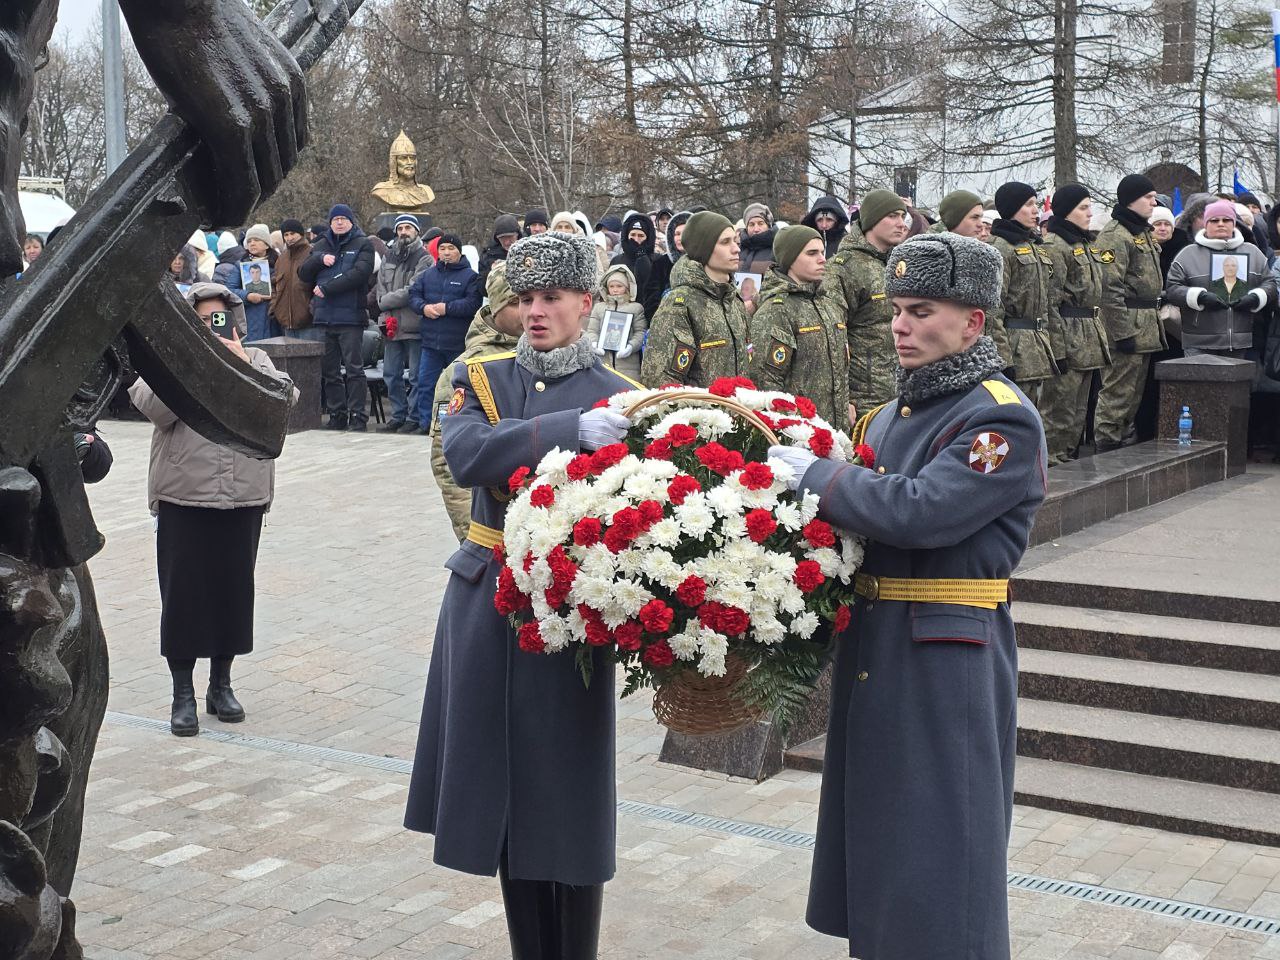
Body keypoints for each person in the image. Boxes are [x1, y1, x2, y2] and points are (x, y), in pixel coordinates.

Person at [767, 231, 1046, 960]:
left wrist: (820, 478)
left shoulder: (999, 415)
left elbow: (921, 511)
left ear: (973, 322)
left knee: (940, 851)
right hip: (881, 640)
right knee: (885, 842)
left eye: (922, 310)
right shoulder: (891, 416)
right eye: (897, 310)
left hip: (944, 652)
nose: (900, 325)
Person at [405, 231, 639, 960]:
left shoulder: (624, 399)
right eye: (524, 299)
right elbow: (468, 454)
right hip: (487, 599)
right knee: (499, 796)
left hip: (569, 609)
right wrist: (570, 429)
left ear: (586, 304)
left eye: (551, 298)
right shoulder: (481, 376)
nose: (535, 312)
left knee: (564, 793)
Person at [127, 282, 297, 737]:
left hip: (243, 497)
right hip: (185, 495)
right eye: (200, 321)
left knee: (231, 595)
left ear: (234, 320)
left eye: (217, 319)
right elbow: (148, 406)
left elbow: (285, 405)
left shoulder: (255, 359)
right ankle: (182, 692)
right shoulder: (169, 359)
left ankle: (221, 685)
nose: (210, 327)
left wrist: (239, 365)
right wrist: (188, 365)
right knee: (182, 597)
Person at [430, 261, 523, 540]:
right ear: (495, 307)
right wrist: (473, 536)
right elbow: (447, 459)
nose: (528, 311)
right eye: (517, 301)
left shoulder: (550, 353)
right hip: (492, 527)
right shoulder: (465, 370)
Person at [821, 189, 909, 419]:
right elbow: (833, 335)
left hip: (902, 389)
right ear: (872, 220)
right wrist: (844, 398)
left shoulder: (898, 263)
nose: (901, 223)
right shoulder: (844, 267)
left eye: (903, 216)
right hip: (865, 397)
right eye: (893, 216)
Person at [1041, 183, 1112, 464]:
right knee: (1059, 406)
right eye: (1083, 208)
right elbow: (1051, 302)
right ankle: (1052, 459)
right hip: (1067, 334)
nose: (1089, 213)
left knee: (1078, 407)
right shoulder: (1056, 246)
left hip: (1087, 334)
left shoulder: (1082, 243)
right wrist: (1057, 349)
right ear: (1067, 211)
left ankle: (1067, 454)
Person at [752, 223, 850, 427]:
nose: (823, 259)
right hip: (799, 435)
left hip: (837, 431)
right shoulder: (777, 309)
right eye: (812, 253)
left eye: (822, 252)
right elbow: (768, 384)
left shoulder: (828, 303)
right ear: (790, 258)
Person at [1094, 174, 1165, 451]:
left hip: (1144, 325)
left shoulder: (1140, 232)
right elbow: (1109, 289)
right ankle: (1106, 445)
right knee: (1117, 392)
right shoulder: (1115, 235)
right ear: (1131, 200)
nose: (1154, 202)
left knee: (1132, 395)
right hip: (1127, 325)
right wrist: (1120, 332)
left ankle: (1120, 439)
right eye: (1148, 197)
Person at [641, 211, 751, 386]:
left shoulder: (734, 301)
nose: (736, 248)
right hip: (699, 412)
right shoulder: (680, 304)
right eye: (725, 242)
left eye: (735, 241)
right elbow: (662, 383)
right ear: (704, 249)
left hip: (738, 410)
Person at [298, 203, 376, 431]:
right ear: (330, 223)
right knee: (329, 371)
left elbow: (360, 274)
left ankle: (358, 417)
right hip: (324, 316)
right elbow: (303, 274)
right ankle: (337, 414)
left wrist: (329, 287)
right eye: (335, 219)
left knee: (354, 369)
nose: (339, 222)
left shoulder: (363, 244)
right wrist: (318, 259)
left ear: (351, 222)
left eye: (343, 218)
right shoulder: (321, 244)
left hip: (351, 317)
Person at [1165, 199, 1275, 358]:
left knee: (1234, 383)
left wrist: (1257, 297)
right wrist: (1199, 297)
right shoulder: (1187, 254)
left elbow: (1270, 284)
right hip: (1199, 341)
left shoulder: (1253, 252)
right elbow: (1173, 289)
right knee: (1199, 383)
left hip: (1238, 340)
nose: (1221, 224)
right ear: (1206, 224)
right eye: (1214, 220)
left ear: (1234, 223)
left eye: (1226, 220)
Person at [987, 181, 1058, 403]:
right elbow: (993, 309)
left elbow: (1045, 303)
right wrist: (1003, 360)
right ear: (1011, 208)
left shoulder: (1035, 246)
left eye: (1035, 203)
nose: (1035, 210)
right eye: (1028, 204)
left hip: (1037, 347)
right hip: (1014, 348)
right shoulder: (1000, 247)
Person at [412, 233, 482, 433]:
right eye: (443, 249)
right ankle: (426, 424)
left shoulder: (470, 276)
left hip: (457, 343)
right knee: (426, 385)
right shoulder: (428, 274)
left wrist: (447, 308)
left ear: (459, 251)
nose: (446, 253)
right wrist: (423, 308)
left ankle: (457, 424)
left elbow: (472, 303)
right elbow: (414, 295)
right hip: (431, 342)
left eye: (451, 249)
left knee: (457, 387)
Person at [375, 214, 433, 432]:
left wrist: (384, 301)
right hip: (390, 324)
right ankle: (398, 415)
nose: (403, 232)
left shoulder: (424, 257)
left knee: (416, 376)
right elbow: (381, 283)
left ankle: (414, 417)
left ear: (417, 231)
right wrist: (383, 302)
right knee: (391, 373)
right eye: (400, 228)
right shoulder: (389, 255)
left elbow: (413, 288)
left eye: (408, 227)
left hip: (413, 323)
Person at [586, 263, 647, 377]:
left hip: (629, 366)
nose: (615, 290)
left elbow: (640, 332)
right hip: (603, 364)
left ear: (627, 287)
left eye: (619, 286)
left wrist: (630, 347)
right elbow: (591, 330)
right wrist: (594, 344)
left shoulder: (636, 308)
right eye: (612, 286)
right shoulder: (599, 307)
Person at [611, 210, 663, 319]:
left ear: (648, 238)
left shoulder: (658, 261)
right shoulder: (617, 261)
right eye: (633, 235)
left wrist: (643, 258)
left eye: (641, 235)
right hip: (621, 315)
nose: (636, 239)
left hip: (650, 315)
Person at [271, 218, 317, 339]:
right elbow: (274, 285)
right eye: (286, 234)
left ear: (301, 234)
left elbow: (319, 284)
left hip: (309, 323)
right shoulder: (281, 259)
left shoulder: (312, 253)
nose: (289, 237)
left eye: (293, 233)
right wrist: (275, 308)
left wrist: (312, 310)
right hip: (286, 323)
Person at [478, 213, 520, 286]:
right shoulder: (488, 255)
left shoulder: (529, 249)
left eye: (510, 237)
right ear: (496, 238)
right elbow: (480, 288)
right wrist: (491, 272)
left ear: (517, 234)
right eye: (502, 238)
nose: (507, 242)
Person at [737, 201, 776, 278]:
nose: (756, 229)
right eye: (751, 224)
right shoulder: (737, 249)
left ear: (768, 225)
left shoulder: (777, 249)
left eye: (761, 223)